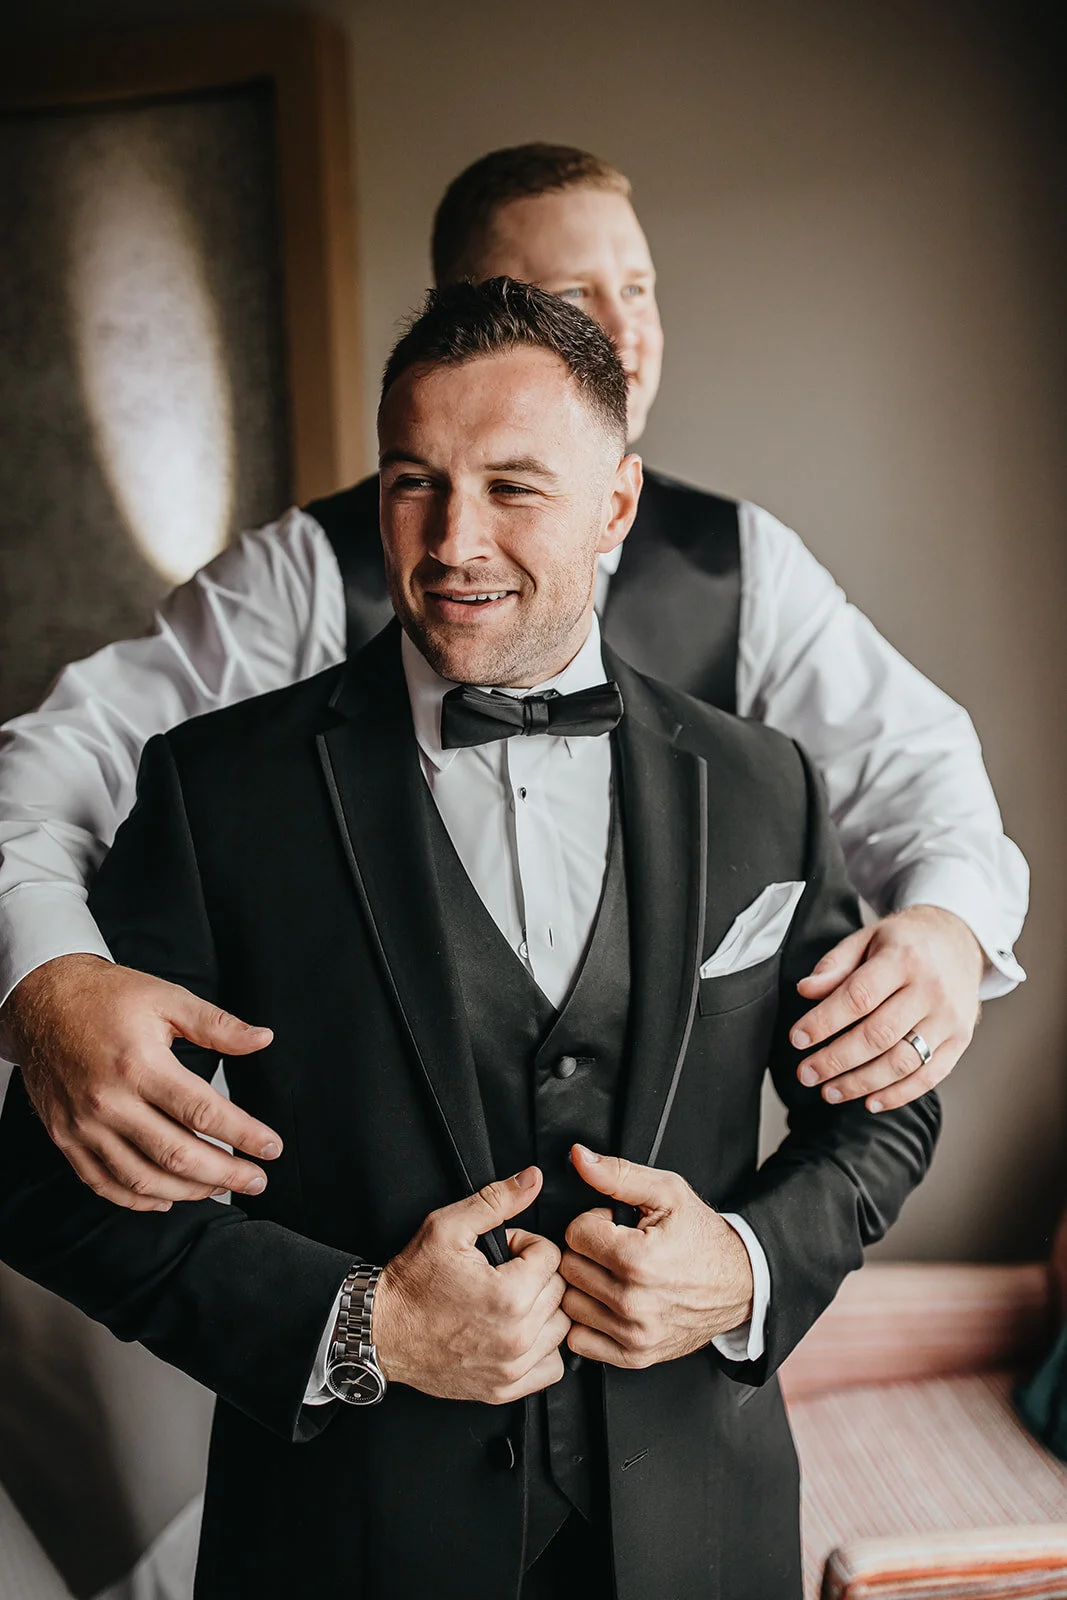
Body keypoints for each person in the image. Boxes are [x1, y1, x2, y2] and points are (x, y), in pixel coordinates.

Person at [0, 279, 941, 1600]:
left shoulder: (762, 784)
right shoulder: (217, 791)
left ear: (615, 505)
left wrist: (739, 1270)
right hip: (342, 1551)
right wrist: (362, 1325)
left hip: (699, 1542)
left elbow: (882, 1117)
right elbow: (45, 1188)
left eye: (512, 486)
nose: (451, 541)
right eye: (412, 483)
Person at [0, 143, 1022, 1215]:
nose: (622, 331)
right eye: (573, 295)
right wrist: (49, 976)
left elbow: (914, 770)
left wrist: (950, 927)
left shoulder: (742, 563)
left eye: (637, 288)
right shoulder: (305, 571)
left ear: (616, 502)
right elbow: (62, 763)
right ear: (470, 315)